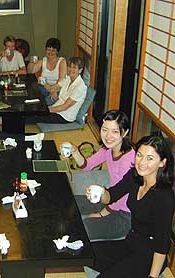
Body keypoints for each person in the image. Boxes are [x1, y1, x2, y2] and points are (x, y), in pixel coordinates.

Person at [88, 134, 175, 277]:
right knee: (87, 253)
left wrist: (152, 276)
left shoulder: (164, 197)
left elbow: (162, 244)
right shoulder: (134, 176)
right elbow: (111, 196)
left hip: (150, 253)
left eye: (150, 158)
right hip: (131, 241)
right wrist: (100, 192)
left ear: (162, 162)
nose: (142, 162)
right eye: (139, 155)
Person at [70, 110, 135, 241]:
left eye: (115, 132)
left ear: (125, 132)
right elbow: (87, 165)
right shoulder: (108, 149)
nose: (108, 136)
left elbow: (122, 197)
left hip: (125, 216)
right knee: (70, 203)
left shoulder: (129, 160)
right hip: (109, 199)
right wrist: (74, 151)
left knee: (81, 229)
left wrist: (101, 214)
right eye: (105, 130)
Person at [26, 57, 87, 124]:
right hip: (56, 109)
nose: (71, 69)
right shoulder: (68, 79)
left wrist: (47, 110)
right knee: (30, 110)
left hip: (64, 116)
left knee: (32, 117)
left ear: (80, 70)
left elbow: (65, 107)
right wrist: (45, 83)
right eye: (69, 66)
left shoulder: (80, 87)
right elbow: (53, 88)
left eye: (74, 67)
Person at [27, 38, 67, 106]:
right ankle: (35, 104)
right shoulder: (43, 60)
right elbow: (30, 71)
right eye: (48, 49)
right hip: (45, 88)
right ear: (45, 49)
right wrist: (31, 63)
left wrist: (53, 90)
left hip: (57, 89)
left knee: (45, 102)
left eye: (53, 50)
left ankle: (42, 105)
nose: (50, 52)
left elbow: (61, 80)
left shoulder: (62, 61)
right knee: (33, 85)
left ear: (57, 52)